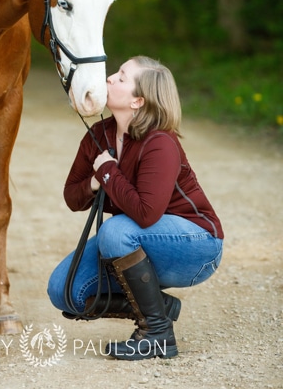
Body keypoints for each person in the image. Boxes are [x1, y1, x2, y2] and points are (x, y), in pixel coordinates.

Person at [47, 56, 224, 361]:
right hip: (141, 240)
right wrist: (94, 182)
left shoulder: (160, 142)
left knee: (116, 231)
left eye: (122, 77)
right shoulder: (98, 135)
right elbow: (71, 197)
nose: (110, 78)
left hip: (197, 245)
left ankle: (157, 333)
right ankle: (158, 305)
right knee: (63, 291)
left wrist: (107, 173)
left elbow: (146, 213)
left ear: (138, 101)